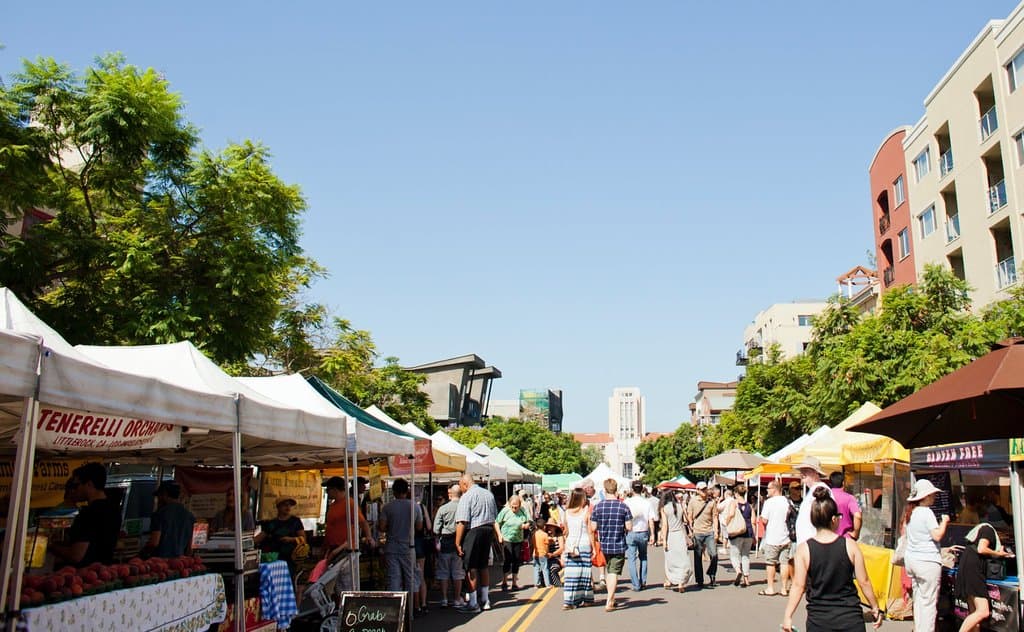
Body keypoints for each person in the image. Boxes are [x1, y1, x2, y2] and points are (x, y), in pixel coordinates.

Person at [781, 486, 884, 632]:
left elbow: (798, 585)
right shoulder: (850, 545)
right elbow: (864, 581)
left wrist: (788, 616)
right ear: (834, 519)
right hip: (850, 617)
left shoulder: (804, 549)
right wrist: (875, 607)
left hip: (819, 619)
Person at [51, 462, 120, 567]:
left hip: (83, 575)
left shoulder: (88, 513)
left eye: (76, 485)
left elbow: (76, 555)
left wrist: (51, 546)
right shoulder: (114, 509)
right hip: (104, 572)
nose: (74, 490)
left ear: (89, 484)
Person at [902, 479, 949, 632]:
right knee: (928, 603)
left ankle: (919, 628)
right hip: (927, 562)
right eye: (932, 494)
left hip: (912, 561)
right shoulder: (926, 512)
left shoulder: (911, 512)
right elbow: (937, 535)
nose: (934, 496)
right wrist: (944, 522)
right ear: (925, 496)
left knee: (919, 600)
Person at [956, 520, 1014, 631]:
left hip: (967, 566)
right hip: (973, 569)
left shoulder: (980, 530)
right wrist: (999, 553)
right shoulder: (988, 530)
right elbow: (981, 549)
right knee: (983, 612)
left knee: (974, 613)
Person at [323, 476, 375, 596]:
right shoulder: (333, 505)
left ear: (335, 489)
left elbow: (362, 522)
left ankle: (349, 610)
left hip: (346, 550)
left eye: (328, 490)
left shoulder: (349, 503)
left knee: (347, 585)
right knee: (336, 587)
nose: (327, 492)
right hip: (333, 550)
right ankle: (340, 610)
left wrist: (369, 537)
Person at [454, 474, 498, 614]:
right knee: (483, 565)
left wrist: (457, 542)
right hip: (488, 530)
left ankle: (473, 603)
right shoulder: (489, 494)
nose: (461, 489)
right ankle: (485, 600)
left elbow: (462, 521)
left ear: (465, 484)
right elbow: (494, 517)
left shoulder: (467, 496)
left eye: (461, 486)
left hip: (474, 531)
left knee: (471, 567)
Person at [379, 479, 423, 613]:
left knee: (394, 578)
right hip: (408, 547)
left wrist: (390, 527)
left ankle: (395, 610)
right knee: (411, 578)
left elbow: (381, 527)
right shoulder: (414, 506)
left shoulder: (387, 507)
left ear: (394, 491)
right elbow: (419, 526)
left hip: (392, 547)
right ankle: (413, 607)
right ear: (407, 490)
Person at [591, 479, 632, 611]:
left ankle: (612, 598)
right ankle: (609, 600)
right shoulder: (623, 506)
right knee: (614, 572)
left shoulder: (598, 506)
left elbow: (593, 527)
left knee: (610, 570)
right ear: (616, 490)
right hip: (618, 543)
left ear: (604, 490)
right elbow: (629, 526)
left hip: (604, 543)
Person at [560, 488, 596, 610]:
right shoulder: (586, 511)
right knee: (585, 574)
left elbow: (565, 531)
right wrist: (594, 548)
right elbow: (590, 531)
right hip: (584, 544)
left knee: (571, 574)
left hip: (571, 545)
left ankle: (569, 600)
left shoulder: (566, 512)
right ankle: (586, 599)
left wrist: (564, 547)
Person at [433, 484, 465, 609]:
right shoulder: (464, 508)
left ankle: (444, 599)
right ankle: (457, 599)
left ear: (450, 494)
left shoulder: (443, 508)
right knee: (457, 572)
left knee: (443, 572)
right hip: (459, 543)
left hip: (445, 542)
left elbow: (436, 529)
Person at [759, 480, 794, 596]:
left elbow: (764, 520)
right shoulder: (788, 501)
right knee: (784, 563)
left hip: (772, 537)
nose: (767, 491)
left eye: (768, 488)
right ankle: (784, 588)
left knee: (770, 563)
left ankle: (770, 588)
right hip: (786, 536)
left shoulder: (769, 502)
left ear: (774, 489)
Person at [145, 480, 196, 559]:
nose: (158, 499)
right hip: (180, 563)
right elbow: (190, 549)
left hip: (159, 564)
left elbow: (154, 542)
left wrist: (141, 555)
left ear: (164, 494)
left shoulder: (159, 514)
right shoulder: (191, 516)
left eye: (158, 495)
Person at [256, 498, 305, 575]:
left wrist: (291, 539)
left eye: (289, 505)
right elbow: (260, 537)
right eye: (285, 505)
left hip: (291, 558)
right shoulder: (272, 523)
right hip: (274, 558)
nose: (288, 507)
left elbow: (303, 539)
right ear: (278, 507)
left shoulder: (295, 521)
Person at [686, 481, 719, 588]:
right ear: (697, 491)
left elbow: (715, 516)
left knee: (714, 555)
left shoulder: (711, 502)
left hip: (709, 531)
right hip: (697, 532)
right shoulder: (693, 501)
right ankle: (699, 580)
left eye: (705, 489)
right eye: (702, 489)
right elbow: (689, 517)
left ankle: (712, 574)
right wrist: (691, 530)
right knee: (698, 556)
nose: (704, 491)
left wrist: (716, 531)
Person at [495, 494, 531, 591]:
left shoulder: (523, 511)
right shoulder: (505, 511)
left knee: (516, 560)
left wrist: (526, 525)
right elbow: (497, 522)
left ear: (520, 505)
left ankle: (514, 582)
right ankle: (504, 581)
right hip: (507, 538)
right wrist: (499, 535)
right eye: (512, 507)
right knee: (508, 559)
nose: (514, 509)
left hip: (518, 538)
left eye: (516, 507)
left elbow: (530, 521)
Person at [660, 489, 693, 592]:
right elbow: (685, 522)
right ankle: (680, 583)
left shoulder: (664, 508)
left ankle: (671, 579)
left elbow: (665, 526)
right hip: (680, 534)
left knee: (671, 560)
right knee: (682, 559)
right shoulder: (679, 507)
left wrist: (664, 540)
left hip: (671, 535)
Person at [624, 480, 654, 591]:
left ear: (632, 489)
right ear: (642, 489)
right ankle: (643, 581)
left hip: (631, 531)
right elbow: (651, 519)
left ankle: (636, 584)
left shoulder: (627, 502)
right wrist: (653, 535)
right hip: (643, 531)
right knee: (643, 557)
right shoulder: (647, 502)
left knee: (631, 559)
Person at [793, 457, 831, 545]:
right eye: (801, 471)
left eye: (805, 470)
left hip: (816, 546)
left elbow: (827, 520)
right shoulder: (812, 491)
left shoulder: (822, 490)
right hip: (809, 546)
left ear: (816, 472)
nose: (802, 474)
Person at [723, 482, 753, 587]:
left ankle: (738, 570)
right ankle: (747, 579)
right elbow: (753, 521)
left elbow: (731, 514)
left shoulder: (734, 503)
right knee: (745, 556)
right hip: (748, 532)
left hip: (737, 532)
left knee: (734, 555)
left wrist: (726, 522)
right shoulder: (749, 505)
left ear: (736, 493)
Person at [829, 472, 863, 540]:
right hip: (845, 539)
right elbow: (858, 516)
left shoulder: (825, 496)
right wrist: (856, 533)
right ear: (843, 483)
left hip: (826, 538)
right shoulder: (849, 498)